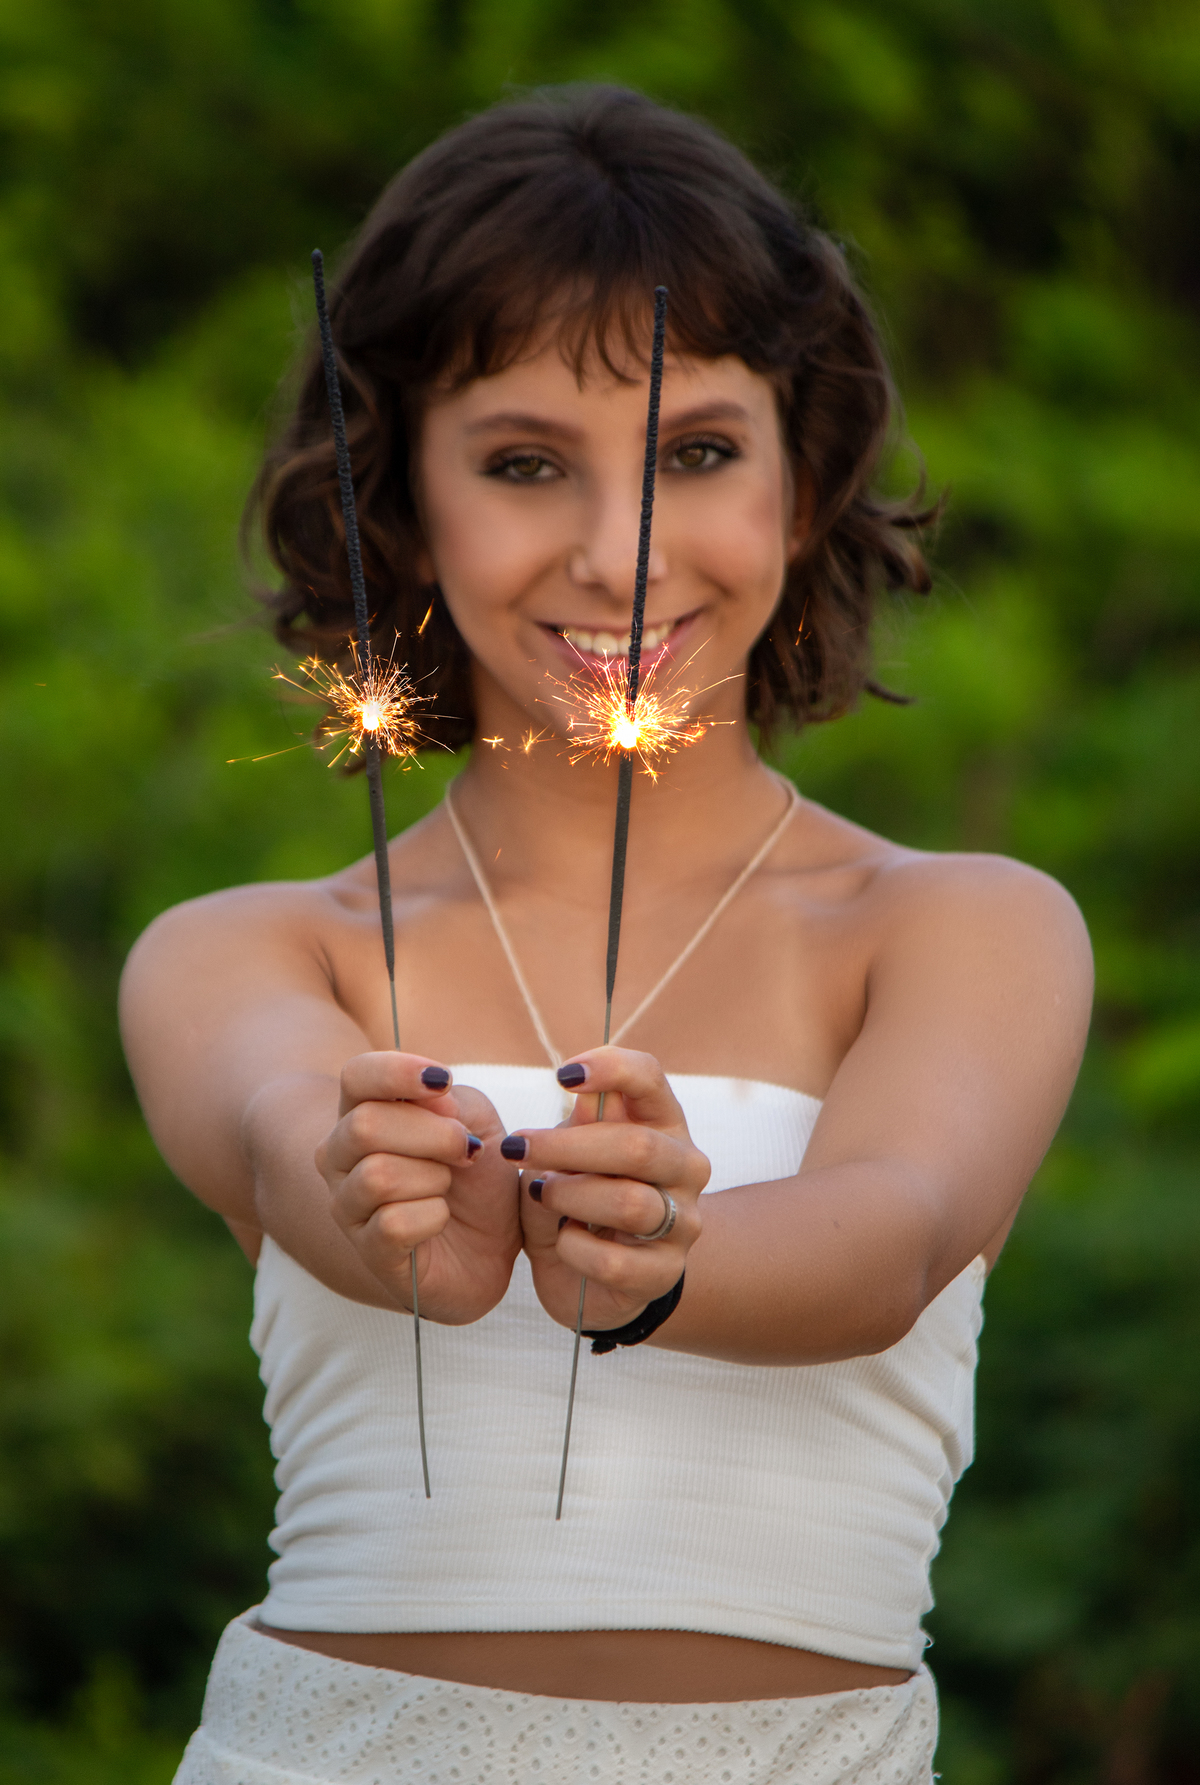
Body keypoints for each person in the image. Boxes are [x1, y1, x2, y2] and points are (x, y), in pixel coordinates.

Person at [120, 85, 1093, 1785]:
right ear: (400, 505)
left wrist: (664, 1263)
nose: (618, 552)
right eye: (522, 465)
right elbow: (288, 1138)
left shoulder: (961, 928)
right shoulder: (248, 953)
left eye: (698, 453)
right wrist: (385, 1200)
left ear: (804, 481)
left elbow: (898, 1228)